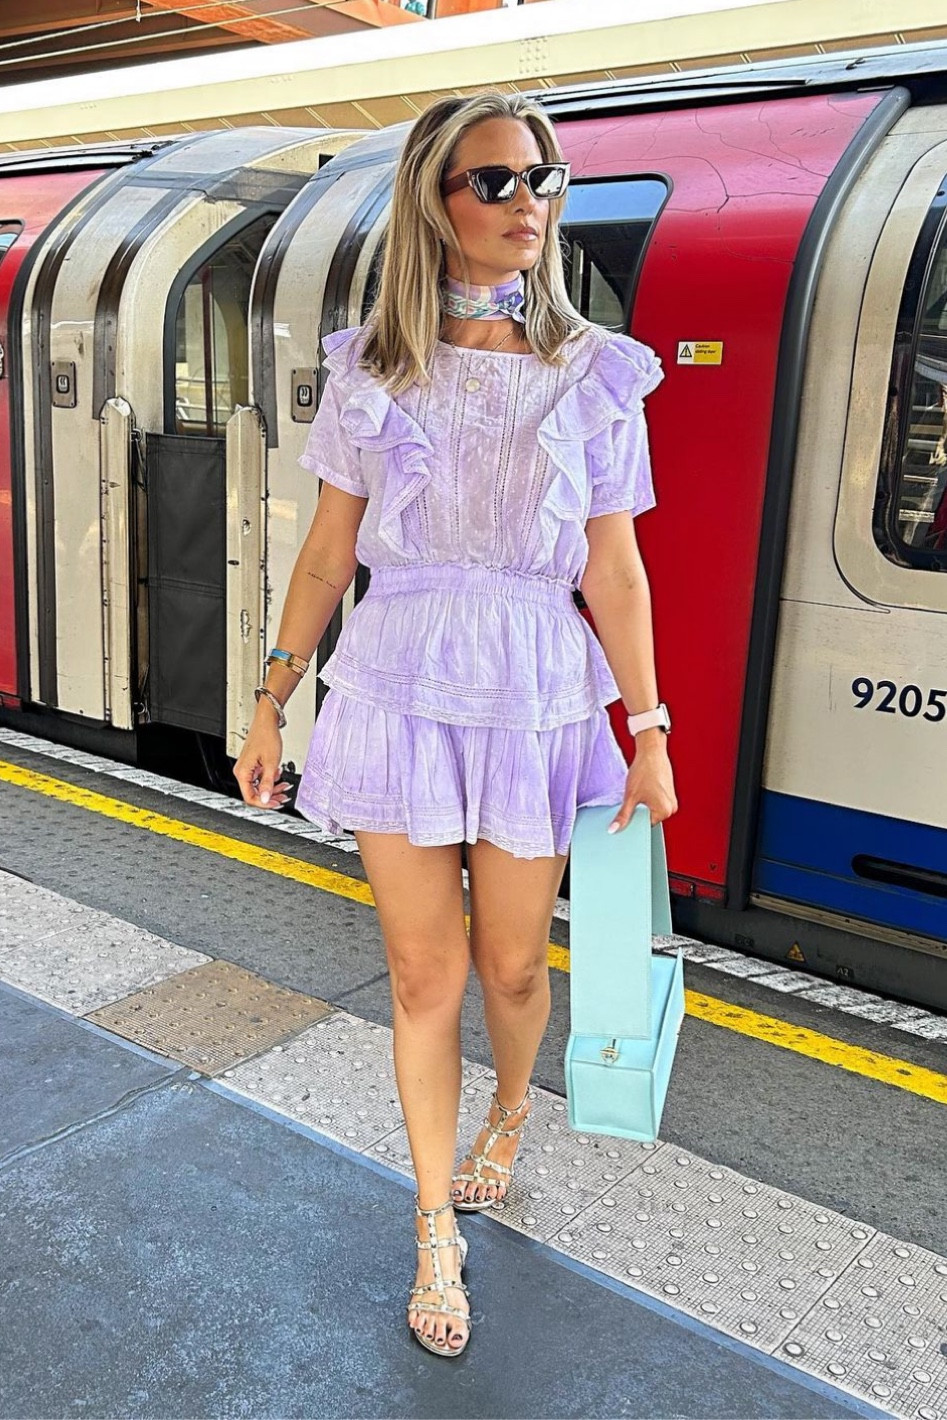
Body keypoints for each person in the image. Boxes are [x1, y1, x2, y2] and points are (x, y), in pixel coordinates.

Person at [234, 90, 678, 1360]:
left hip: (539, 691)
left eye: (541, 176)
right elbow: (327, 555)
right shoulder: (374, 363)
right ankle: (434, 1222)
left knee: (515, 969)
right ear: (436, 200)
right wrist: (270, 699)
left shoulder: (595, 371)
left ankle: (510, 1105)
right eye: (495, 180)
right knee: (423, 978)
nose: (527, 199)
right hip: (397, 683)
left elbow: (616, 571)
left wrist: (644, 727)